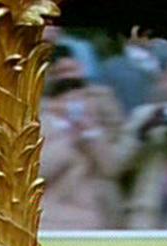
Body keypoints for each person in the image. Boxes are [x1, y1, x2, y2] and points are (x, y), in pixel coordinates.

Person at [39, 48, 125, 230]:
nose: (68, 77)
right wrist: (68, 136)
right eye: (60, 73)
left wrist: (90, 134)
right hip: (51, 214)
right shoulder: (38, 118)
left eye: (72, 70)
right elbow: (38, 171)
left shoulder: (101, 108)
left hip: (98, 212)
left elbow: (112, 167)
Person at [115, 56, 167, 230]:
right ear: (165, 80)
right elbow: (117, 165)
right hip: (145, 212)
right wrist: (143, 133)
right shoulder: (144, 115)